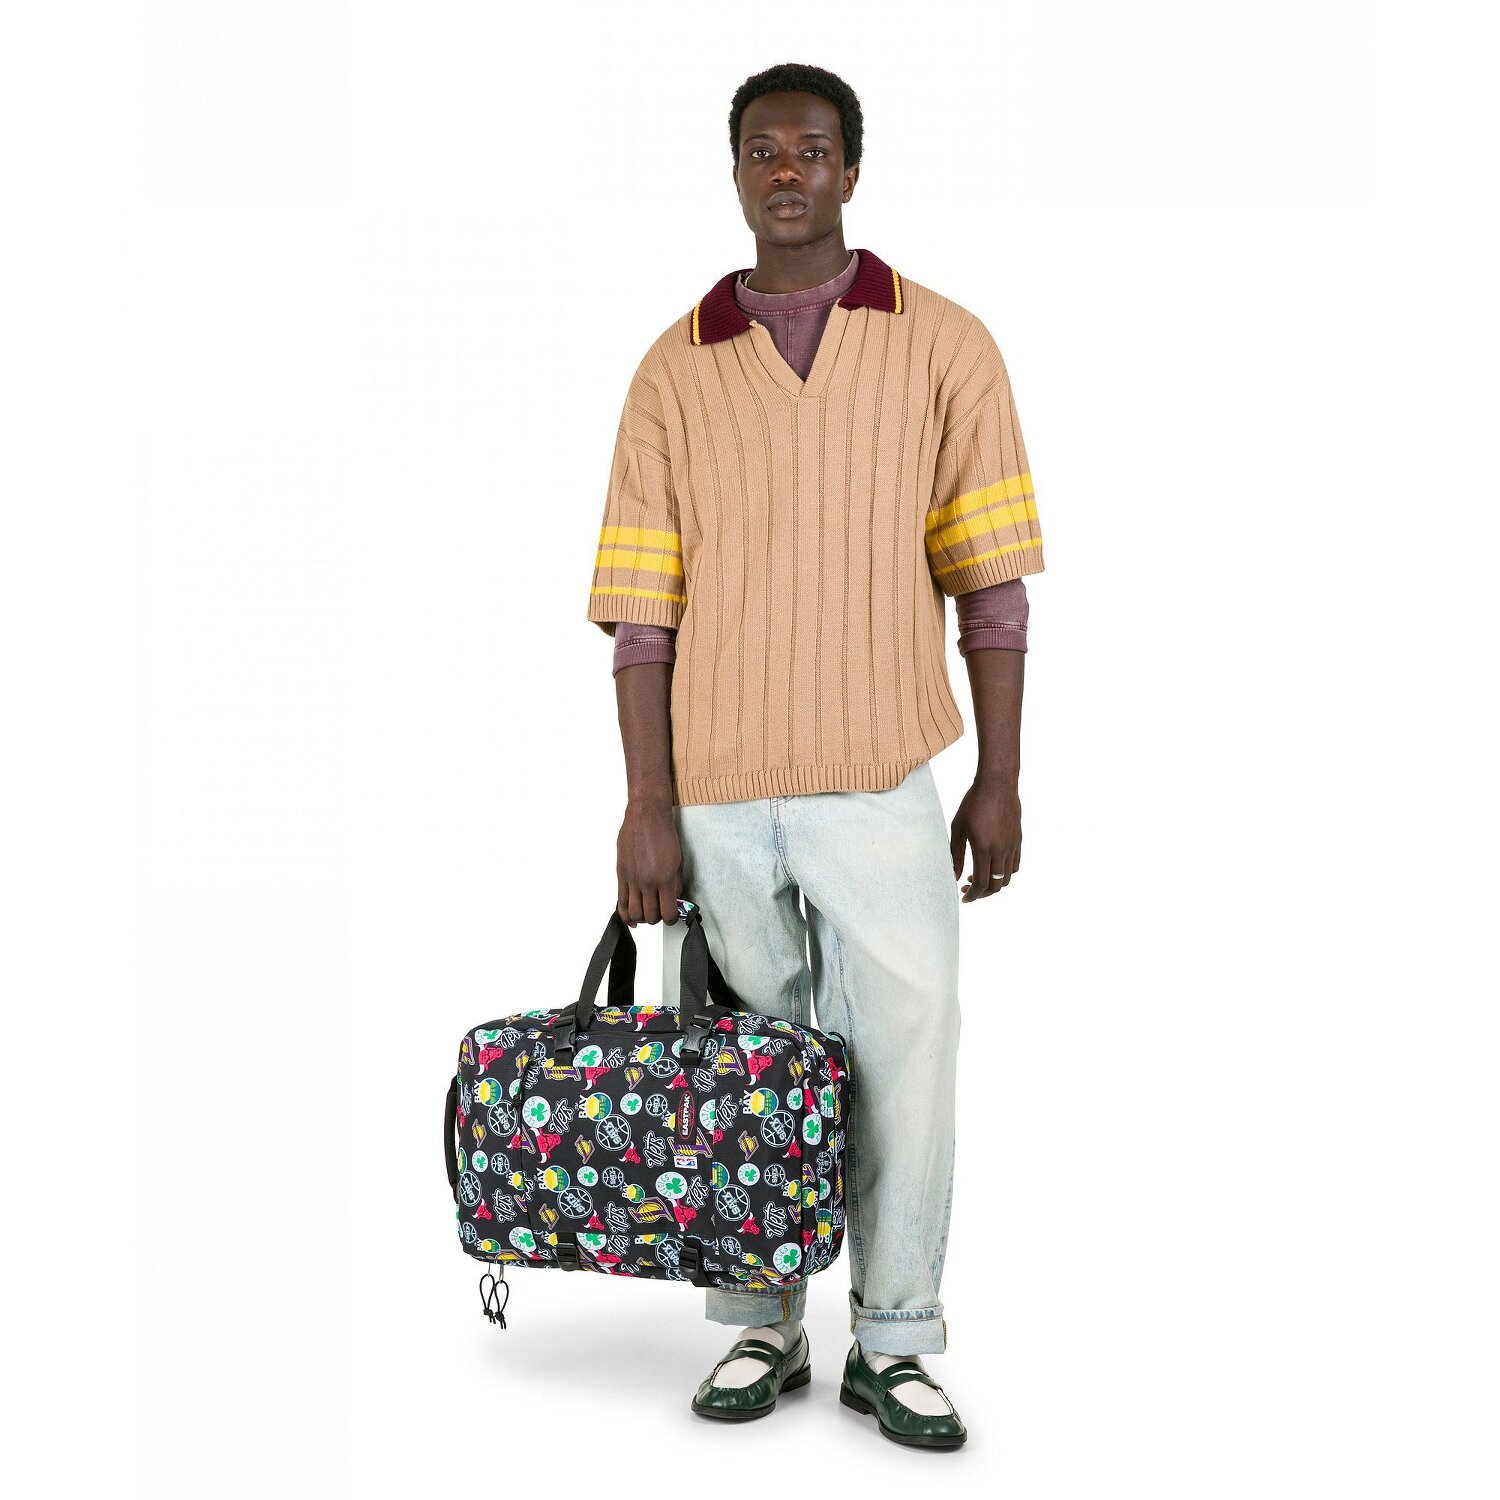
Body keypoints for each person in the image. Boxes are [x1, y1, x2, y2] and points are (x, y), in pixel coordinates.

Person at [585, 61, 1044, 1449]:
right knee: (742, 1069)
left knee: (909, 1048)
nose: (788, 170)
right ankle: (761, 1324)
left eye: (814, 149)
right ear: (735, 172)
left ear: (852, 169)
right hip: (717, 792)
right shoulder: (675, 367)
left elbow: (992, 582)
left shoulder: (943, 343)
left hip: (881, 775)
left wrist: (1001, 776)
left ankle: (893, 1338)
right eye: (763, 151)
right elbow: (643, 611)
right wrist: (647, 806)